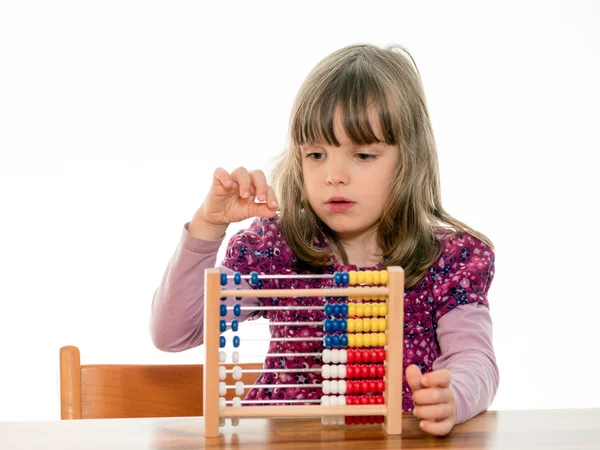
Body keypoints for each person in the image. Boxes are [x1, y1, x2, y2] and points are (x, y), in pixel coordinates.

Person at [150, 43, 498, 436]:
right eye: (316, 154)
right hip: (287, 443)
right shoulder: (278, 252)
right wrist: (208, 227)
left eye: (363, 155)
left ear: (410, 160)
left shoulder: (445, 261)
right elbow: (174, 334)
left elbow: (474, 359)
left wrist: (454, 395)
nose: (334, 175)